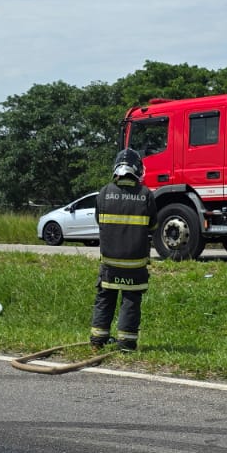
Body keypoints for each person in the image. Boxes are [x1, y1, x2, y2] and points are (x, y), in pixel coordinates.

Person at [90, 148, 155, 352]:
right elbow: (153, 226)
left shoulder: (104, 193)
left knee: (105, 298)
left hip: (109, 261)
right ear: (137, 170)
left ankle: (98, 340)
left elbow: (99, 221)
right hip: (135, 263)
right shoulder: (145, 195)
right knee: (131, 301)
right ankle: (126, 344)